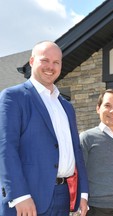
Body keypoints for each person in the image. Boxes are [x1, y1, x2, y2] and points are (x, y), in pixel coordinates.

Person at [0, 41, 89, 216]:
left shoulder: (66, 106)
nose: (51, 66)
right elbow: (6, 149)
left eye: (56, 62)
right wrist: (19, 195)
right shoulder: (13, 97)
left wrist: (83, 193)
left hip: (62, 197)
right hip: (27, 198)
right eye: (45, 60)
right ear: (32, 61)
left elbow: (76, 151)